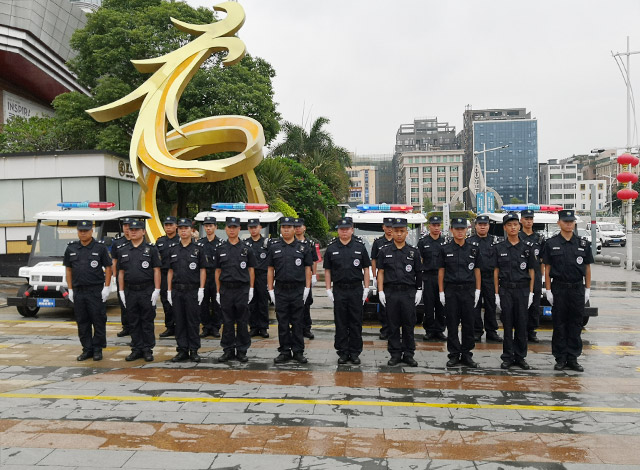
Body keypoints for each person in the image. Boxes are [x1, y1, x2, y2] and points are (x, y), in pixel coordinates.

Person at [541, 209, 593, 372]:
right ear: (559, 223)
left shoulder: (583, 244)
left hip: (577, 288)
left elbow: (587, 268)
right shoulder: (551, 243)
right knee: (559, 324)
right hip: (559, 288)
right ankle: (560, 358)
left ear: (574, 223)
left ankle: (573, 358)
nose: (569, 224)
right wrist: (548, 290)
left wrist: (587, 289)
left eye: (571, 222)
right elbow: (547, 269)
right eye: (565, 221)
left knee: (576, 324)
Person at [63, 220, 112, 361]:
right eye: (80, 230)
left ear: (92, 231)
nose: (83, 233)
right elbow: (68, 269)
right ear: (78, 231)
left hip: (95, 290)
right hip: (79, 291)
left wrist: (107, 287)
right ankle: (87, 349)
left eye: (86, 230)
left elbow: (108, 268)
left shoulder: (100, 248)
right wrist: (70, 289)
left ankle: (98, 349)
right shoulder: (71, 248)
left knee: (98, 320)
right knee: (82, 321)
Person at [324, 217, 371, 364]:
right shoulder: (331, 248)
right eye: (341, 229)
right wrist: (328, 289)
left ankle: (355, 352)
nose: (344, 232)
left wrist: (366, 288)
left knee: (356, 322)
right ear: (338, 231)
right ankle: (343, 352)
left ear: (352, 230)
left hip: (356, 289)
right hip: (339, 290)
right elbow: (327, 271)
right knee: (341, 322)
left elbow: (366, 269)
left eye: (347, 229)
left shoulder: (360, 247)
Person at [377, 217, 423, 367]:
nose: (398, 234)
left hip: (408, 293)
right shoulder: (384, 251)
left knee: (409, 325)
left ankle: (409, 354)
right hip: (391, 293)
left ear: (406, 233)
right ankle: (395, 354)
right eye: (396, 231)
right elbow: (381, 272)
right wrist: (381, 291)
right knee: (393, 325)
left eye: (401, 231)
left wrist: (419, 290)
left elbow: (418, 272)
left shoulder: (413, 252)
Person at [494, 212, 536, 370]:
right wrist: (496, 293)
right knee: (507, 324)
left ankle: (520, 357)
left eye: (515, 225)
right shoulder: (499, 248)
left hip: (522, 290)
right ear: (505, 228)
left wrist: (531, 293)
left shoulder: (527, 248)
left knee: (521, 324)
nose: (513, 227)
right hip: (506, 290)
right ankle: (507, 357)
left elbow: (532, 271)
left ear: (519, 226)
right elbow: (496, 272)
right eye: (509, 225)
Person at [267, 217, 313, 364]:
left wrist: (307, 287)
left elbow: (308, 269)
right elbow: (270, 269)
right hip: (281, 289)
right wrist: (270, 290)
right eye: (283, 227)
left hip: (297, 290)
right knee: (283, 322)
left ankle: (298, 351)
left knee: (298, 322)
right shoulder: (274, 247)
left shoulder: (303, 247)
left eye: (289, 227)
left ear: (295, 229)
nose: (286, 229)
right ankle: (285, 351)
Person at [438, 217, 482, 368]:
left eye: (462, 229)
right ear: (451, 230)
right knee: (452, 324)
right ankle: (454, 354)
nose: (460, 231)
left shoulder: (473, 249)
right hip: (451, 290)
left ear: (466, 230)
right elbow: (441, 271)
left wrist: (478, 290)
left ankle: (467, 354)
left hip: (468, 290)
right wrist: (441, 291)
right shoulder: (445, 249)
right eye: (457, 229)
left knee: (469, 323)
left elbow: (477, 270)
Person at [117, 219, 162, 362]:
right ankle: (136, 348)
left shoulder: (151, 249)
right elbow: (121, 273)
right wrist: (121, 291)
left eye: (137, 229)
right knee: (133, 321)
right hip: (130, 291)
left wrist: (157, 289)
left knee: (147, 321)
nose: (133, 232)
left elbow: (156, 270)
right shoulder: (123, 250)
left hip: (146, 290)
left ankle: (147, 349)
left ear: (143, 231)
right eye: (131, 229)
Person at [215, 217, 256, 363]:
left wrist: (251, 288)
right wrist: (218, 291)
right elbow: (217, 272)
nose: (232, 230)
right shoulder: (220, 249)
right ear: (225, 229)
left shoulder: (246, 249)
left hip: (241, 289)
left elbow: (251, 270)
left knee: (243, 321)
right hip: (226, 289)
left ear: (239, 229)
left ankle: (242, 350)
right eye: (229, 227)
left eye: (235, 227)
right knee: (227, 321)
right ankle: (228, 350)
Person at [167, 218, 207, 363]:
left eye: (186, 228)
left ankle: (194, 350)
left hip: (192, 290)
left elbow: (203, 270)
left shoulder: (198, 250)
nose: (183, 231)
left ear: (191, 230)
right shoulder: (173, 250)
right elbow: (170, 271)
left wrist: (202, 289)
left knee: (193, 321)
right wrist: (169, 291)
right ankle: (182, 349)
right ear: (178, 231)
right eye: (181, 228)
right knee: (179, 321)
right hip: (177, 290)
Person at [468, 215, 503, 343]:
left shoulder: (495, 242)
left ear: (489, 226)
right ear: (475, 226)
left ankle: (491, 331)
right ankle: (477, 331)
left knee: (491, 305)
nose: (482, 226)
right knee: (475, 306)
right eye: (480, 224)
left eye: (485, 224)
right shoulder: (469, 242)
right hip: (474, 278)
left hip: (490, 277)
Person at [417, 215, 447, 342]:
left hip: (442, 278)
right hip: (428, 277)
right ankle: (429, 330)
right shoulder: (423, 242)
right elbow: (420, 261)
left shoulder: (445, 241)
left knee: (441, 306)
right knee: (429, 306)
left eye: (438, 225)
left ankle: (440, 330)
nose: (436, 228)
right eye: (433, 225)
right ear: (429, 226)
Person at [518, 209, 545, 343]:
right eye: (526, 219)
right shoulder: (517, 237)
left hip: (536, 276)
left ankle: (532, 330)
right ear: (521, 220)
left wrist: (542, 276)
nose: (529, 221)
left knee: (534, 304)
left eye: (531, 219)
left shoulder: (539, 238)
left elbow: (542, 260)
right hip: (520, 275)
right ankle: (521, 330)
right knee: (521, 304)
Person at [245, 218, 271, 338]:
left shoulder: (267, 243)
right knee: (251, 302)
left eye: (255, 227)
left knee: (263, 302)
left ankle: (263, 327)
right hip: (250, 276)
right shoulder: (245, 243)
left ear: (260, 227)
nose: (253, 229)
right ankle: (254, 327)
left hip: (262, 275)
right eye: (251, 227)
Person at [198, 216, 223, 338]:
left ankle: (215, 327)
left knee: (216, 303)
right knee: (203, 303)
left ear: (215, 227)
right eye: (206, 226)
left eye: (211, 225)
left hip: (216, 276)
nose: (208, 228)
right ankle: (206, 327)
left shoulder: (221, 244)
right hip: (203, 276)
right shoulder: (199, 243)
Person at [370, 217, 394, 340]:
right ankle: (384, 329)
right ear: (383, 227)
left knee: (395, 306)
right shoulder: (378, 242)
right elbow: (373, 259)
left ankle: (394, 330)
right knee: (383, 305)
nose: (389, 229)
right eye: (387, 226)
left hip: (395, 278)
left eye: (391, 226)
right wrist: (374, 276)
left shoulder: (398, 240)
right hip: (382, 277)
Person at [294, 218, 318, 339]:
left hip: (306, 278)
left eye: (300, 226)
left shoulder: (310, 244)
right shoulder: (289, 243)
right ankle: (295, 328)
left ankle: (306, 328)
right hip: (294, 278)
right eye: (296, 226)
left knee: (306, 304)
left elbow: (314, 260)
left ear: (304, 228)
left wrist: (313, 275)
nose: (298, 228)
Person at [156, 216, 179, 338]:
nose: (168, 227)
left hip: (179, 275)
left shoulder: (181, 240)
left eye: (171, 225)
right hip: (164, 275)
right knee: (166, 302)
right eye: (166, 225)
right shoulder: (160, 241)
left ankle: (180, 326)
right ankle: (170, 327)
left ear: (176, 226)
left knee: (178, 302)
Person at [111, 218, 132, 337]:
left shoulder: (138, 240)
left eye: (129, 226)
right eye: (125, 226)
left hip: (134, 276)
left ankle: (135, 326)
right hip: (121, 277)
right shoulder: (117, 242)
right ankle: (126, 326)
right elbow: (114, 261)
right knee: (123, 303)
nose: (127, 228)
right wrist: (114, 276)